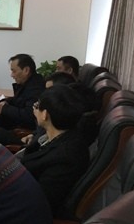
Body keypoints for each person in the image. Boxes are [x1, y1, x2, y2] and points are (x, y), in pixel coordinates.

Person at [20, 85, 90, 216]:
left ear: (45, 114)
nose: (34, 109)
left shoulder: (66, 157)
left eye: (37, 106)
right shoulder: (60, 134)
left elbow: (39, 202)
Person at [0, 53, 45, 145]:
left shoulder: (36, 88)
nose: (11, 75)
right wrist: (5, 101)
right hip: (17, 122)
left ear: (26, 70)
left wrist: (4, 109)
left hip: (27, 129)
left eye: (14, 71)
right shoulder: (29, 82)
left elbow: (29, 115)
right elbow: (18, 99)